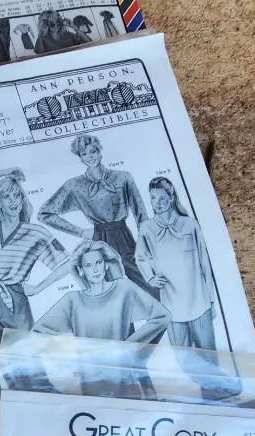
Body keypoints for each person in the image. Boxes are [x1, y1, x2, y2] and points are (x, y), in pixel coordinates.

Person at [0, 168, 70, 358]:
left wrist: (39, 288)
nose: (13, 201)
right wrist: (4, 173)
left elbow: (69, 263)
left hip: (16, 300)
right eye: (6, 196)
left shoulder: (36, 233)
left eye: (17, 195)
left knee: (27, 358)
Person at [38, 134, 153, 295]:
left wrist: (146, 243)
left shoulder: (123, 177)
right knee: (110, 290)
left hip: (124, 236)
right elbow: (44, 214)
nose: (89, 157)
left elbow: (140, 213)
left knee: (147, 280)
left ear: (100, 152)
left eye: (93, 151)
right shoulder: (74, 185)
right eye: (84, 154)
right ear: (80, 158)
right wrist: (81, 232)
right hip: (98, 239)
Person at [33, 240, 170, 346]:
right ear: (81, 270)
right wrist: (69, 357)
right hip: (87, 371)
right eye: (88, 265)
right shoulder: (72, 300)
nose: (95, 270)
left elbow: (162, 317)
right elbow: (38, 332)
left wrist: (130, 348)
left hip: (122, 369)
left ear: (106, 264)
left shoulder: (124, 288)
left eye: (98, 262)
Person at [135, 177, 217, 350]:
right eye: (153, 198)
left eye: (162, 198)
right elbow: (140, 257)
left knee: (209, 354)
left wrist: (211, 300)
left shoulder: (190, 224)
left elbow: (204, 262)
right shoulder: (146, 228)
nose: (157, 203)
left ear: (171, 198)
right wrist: (150, 278)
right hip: (171, 303)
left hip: (199, 302)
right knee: (182, 356)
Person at [14, 10, 84, 54]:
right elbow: (40, 55)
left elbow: (88, 42)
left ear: (59, 22)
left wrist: (74, 27)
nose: (53, 24)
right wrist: (41, 32)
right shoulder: (43, 39)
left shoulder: (69, 35)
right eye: (48, 22)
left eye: (55, 21)